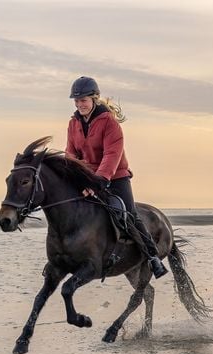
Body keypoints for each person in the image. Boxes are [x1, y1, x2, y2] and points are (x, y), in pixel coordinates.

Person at [65, 76, 168, 278]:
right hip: (89, 177)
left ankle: (153, 257)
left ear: (95, 99)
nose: (80, 104)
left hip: (115, 176)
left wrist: (98, 182)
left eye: (83, 100)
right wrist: (77, 178)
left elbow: (112, 155)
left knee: (129, 214)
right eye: (76, 101)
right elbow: (70, 153)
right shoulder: (73, 124)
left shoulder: (110, 124)